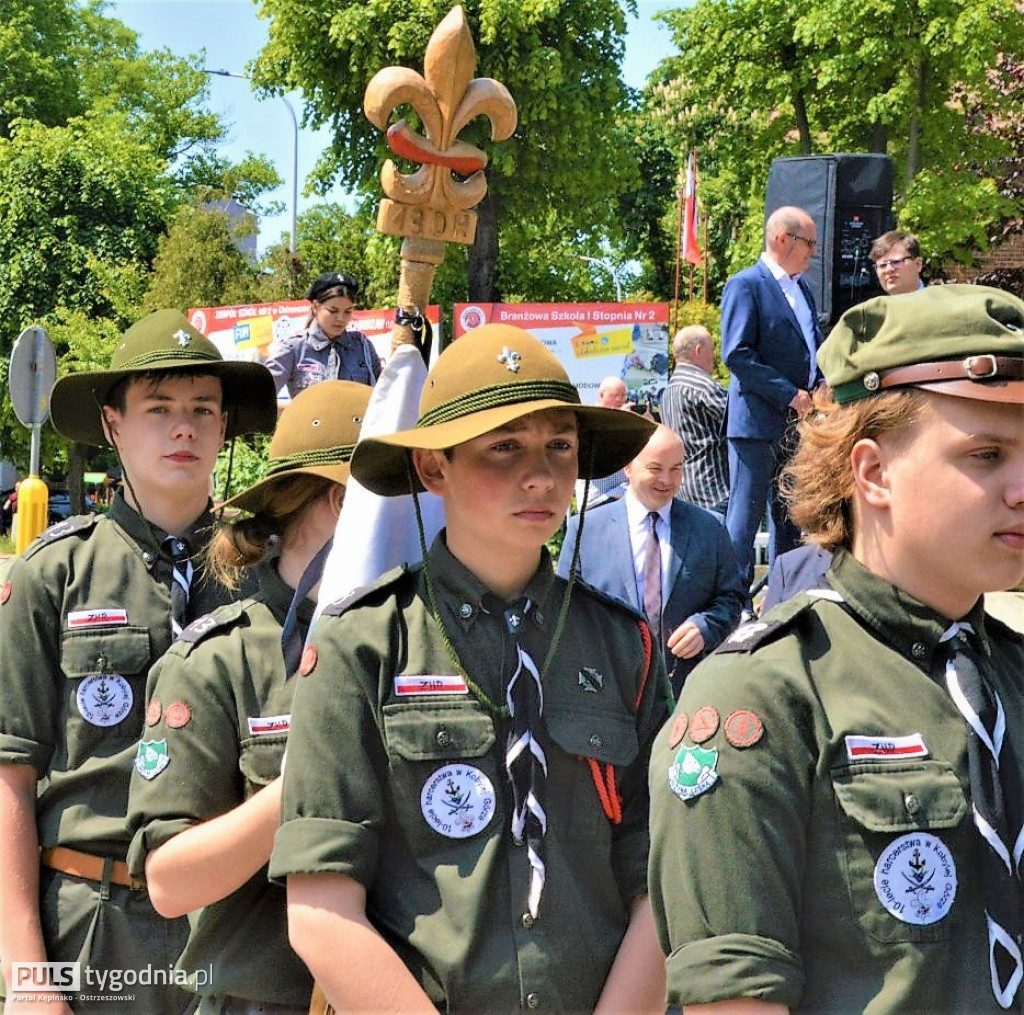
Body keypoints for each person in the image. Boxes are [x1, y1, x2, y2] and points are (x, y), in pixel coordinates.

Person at [270, 323, 672, 1013]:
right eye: (504, 447)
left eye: (560, 447)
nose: (541, 475)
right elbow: (320, 907)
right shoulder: (362, 644)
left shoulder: (624, 644)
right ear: (434, 468)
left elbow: (663, 881)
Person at [648, 284, 1024, 1012]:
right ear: (873, 472)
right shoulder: (764, 697)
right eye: (986, 454)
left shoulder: (1009, 677)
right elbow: (735, 999)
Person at [0, 310, 277, 1013]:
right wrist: (27, 979)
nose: (183, 428)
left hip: (240, 933)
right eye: (158, 409)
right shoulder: (53, 575)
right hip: (95, 929)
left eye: (202, 409)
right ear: (114, 423)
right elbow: (9, 780)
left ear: (223, 428)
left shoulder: (271, 577)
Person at [126, 380, 371, 1014]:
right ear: (343, 502)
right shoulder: (221, 659)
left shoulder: (419, 648)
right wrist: (299, 792)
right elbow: (169, 881)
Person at [558, 425, 744, 697]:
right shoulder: (585, 529)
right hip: (605, 691)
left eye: (676, 469)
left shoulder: (709, 528)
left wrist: (706, 627)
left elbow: (732, 597)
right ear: (628, 467)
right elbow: (563, 607)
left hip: (686, 693)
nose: (666, 480)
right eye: (655, 469)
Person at [721, 205, 825, 594]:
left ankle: (786, 600)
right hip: (756, 425)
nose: (813, 251)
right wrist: (790, 394)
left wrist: (823, 381)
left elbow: (812, 346)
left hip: (799, 425)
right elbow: (737, 353)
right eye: (809, 243)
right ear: (783, 238)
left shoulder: (802, 289)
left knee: (791, 518)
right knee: (744, 522)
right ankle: (731, 605)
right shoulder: (746, 284)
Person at [265, 271, 382, 402]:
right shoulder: (294, 348)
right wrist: (295, 411)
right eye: (333, 311)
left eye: (348, 311)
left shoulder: (362, 347)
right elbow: (259, 398)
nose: (341, 318)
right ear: (315, 307)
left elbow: (383, 395)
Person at [659, 325, 729, 515]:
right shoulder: (703, 386)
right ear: (698, 350)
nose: (714, 357)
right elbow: (739, 424)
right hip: (715, 491)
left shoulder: (667, 392)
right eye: (712, 350)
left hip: (683, 492)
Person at [575, 375, 633, 508]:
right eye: (615, 395)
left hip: (622, 493)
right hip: (597, 498)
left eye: (623, 395)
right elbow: (595, 448)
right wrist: (619, 420)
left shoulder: (626, 420)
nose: (621, 400)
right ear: (601, 395)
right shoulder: (589, 418)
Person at [870, 229, 925, 295]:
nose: (888, 269)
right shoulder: (873, 305)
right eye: (882, 265)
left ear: (918, 264)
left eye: (896, 262)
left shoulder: (937, 303)